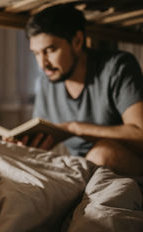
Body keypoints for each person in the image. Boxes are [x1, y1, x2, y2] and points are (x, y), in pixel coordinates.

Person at [20, 4, 143, 176]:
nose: (43, 64)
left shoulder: (117, 67)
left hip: (128, 167)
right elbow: (40, 140)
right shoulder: (47, 82)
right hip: (83, 172)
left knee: (103, 153)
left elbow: (140, 134)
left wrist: (75, 128)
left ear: (77, 41)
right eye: (36, 53)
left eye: (50, 50)